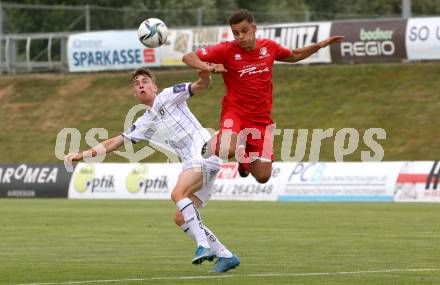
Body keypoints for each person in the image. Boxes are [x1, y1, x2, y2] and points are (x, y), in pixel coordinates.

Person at [64, 67, 240, 273]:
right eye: (136, 83)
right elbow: (114, 142)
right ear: (134, 93)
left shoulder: (168, 95)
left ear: (155, 87)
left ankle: (203, 245)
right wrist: (82, 155)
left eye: (145, 81)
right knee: (180, 218)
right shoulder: (144, 122)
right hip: (193, 163)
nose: (140, 84)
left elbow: (202, 85)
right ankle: (226, 256)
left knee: (177, 193)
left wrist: (204, 71)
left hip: (203, 152)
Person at [182, 9, 344, 183]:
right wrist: (209, 68)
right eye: (236, 33)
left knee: (263, 176)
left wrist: (319, 45)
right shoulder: (226, 50)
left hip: (261, 119)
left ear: (254, 28)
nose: (240, 37)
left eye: (244, 31)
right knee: (226, 150)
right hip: (235, 112)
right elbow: (188, 57)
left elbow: (295, 55)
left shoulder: (269, 47)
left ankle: (243, 160)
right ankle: (215, 142)